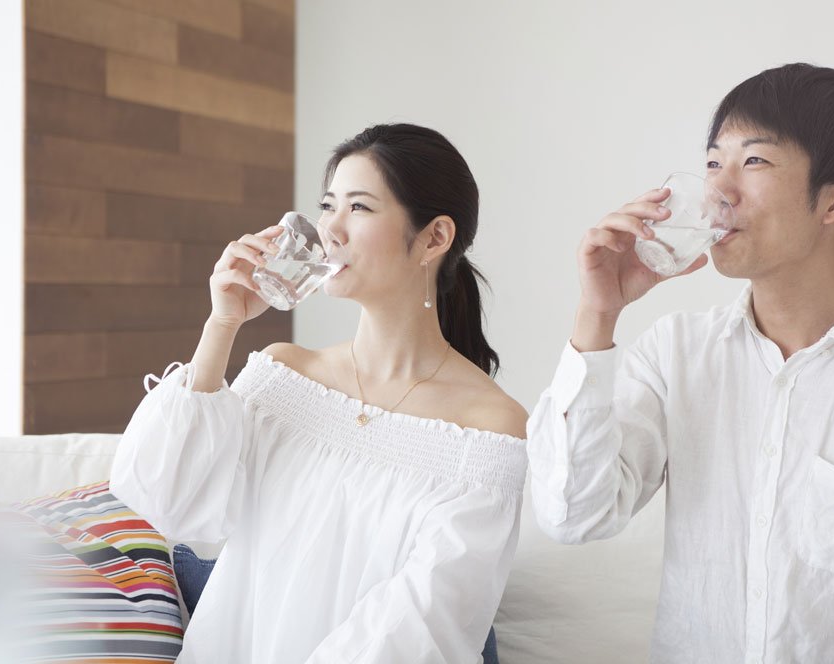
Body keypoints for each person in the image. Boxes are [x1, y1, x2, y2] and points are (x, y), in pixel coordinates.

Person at [526, 63, 834, 662]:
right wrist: (597, 314)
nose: (719, 190)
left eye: (756, 161)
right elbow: (572, 514)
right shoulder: (677, 354)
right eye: (715, 161)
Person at [111, 123, 528, 663]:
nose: (330, 229)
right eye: (327, 205)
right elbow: (167, 503)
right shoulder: (284, 374)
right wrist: (222, 325)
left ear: (434, 238)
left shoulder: (489, 429)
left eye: (358, 208)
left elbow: (424, 623)